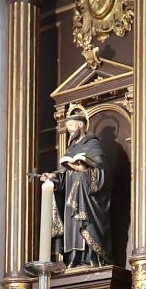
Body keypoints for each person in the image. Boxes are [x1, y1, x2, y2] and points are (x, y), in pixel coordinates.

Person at [56, 102, 112, 267]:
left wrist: (85, 169)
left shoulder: (93, 145)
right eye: (67, 128)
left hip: (87, 200)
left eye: (72, 126)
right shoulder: (70, 149)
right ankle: (74, 258)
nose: (70, 130)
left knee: (85, 224)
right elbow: (64, 176)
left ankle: (91, 258)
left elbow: (103, 171)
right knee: (73, 226)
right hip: (72, 199)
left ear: (81, 124)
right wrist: (53, 177)